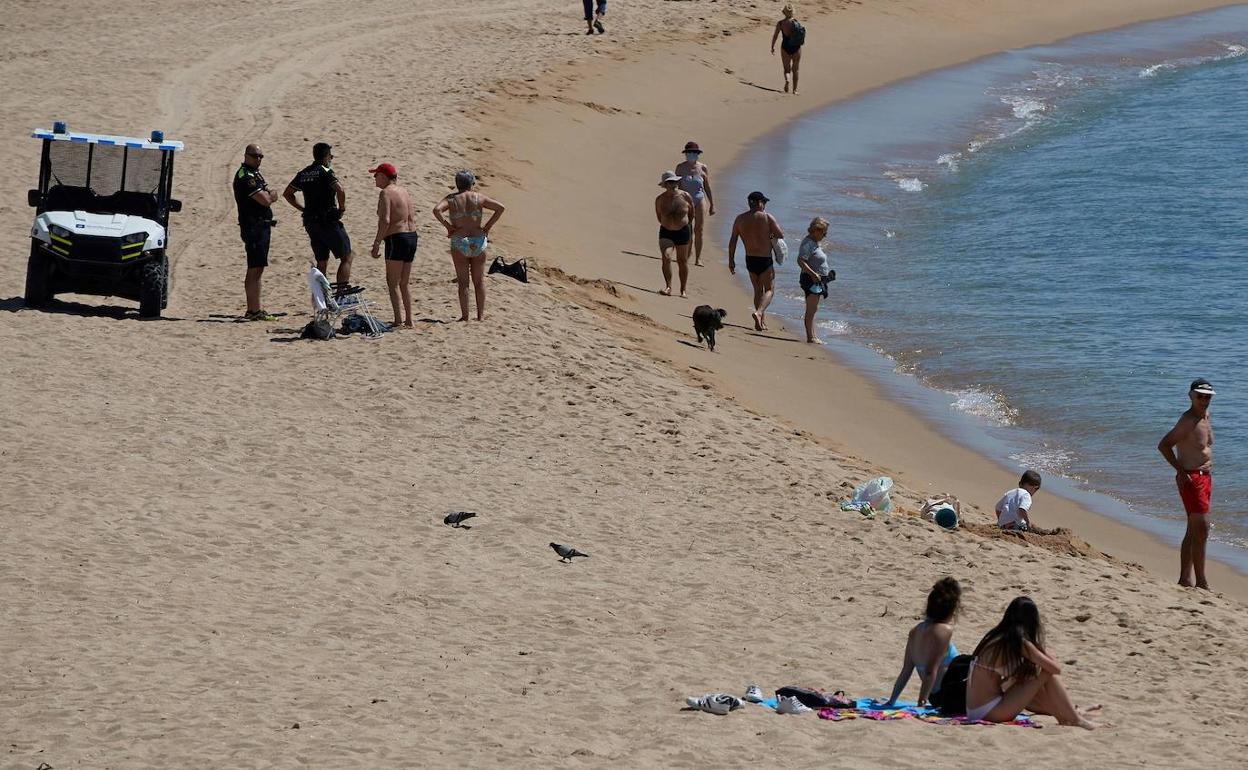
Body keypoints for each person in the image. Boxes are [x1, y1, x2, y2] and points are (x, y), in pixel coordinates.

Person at [962, 597, 1099, 729]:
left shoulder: (997, 636)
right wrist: (1044, 651)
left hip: (976, 710)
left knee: (1030, 675)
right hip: (990, 712)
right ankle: (1075, 719)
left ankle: (1069, 715)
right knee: (1045, 672)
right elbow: (1055, 669)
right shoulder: (1019, 642)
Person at [1158, 378, 1216, 589]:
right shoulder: (1188, 420)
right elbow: (1164, 445)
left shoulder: (1205, 416)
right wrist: (1180, 471)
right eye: (1200, 396)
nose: (1204, 400)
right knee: (1202, 531)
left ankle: (1185, 578)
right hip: (1193, 478)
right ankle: (1201, 582)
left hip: (1205, 477)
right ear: (1190, 396)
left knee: (1193, 531)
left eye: (1207, 396)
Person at [875, 577, 962, 709]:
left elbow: (906, 671)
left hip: (936, 698)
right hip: (951, 695)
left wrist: (891, 701)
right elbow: (930, 671)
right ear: (952, 609)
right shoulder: (944, 630)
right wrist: (921, 703)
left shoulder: (915, 631)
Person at [432, 170, 505, 321]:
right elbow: (500, 208)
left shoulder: (452, 199)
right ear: (472, 184)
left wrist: (448, 226)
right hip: (478, 240)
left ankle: (465, 316)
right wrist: (487, 227)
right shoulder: (478, 197)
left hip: (460, 240)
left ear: (457, 184)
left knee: (463, 282)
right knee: (479, 281)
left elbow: (437, 210)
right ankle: (480, 315)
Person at [283, 142, 353, 285]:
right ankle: (342, 293)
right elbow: (340, 189)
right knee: (346, 256)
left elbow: (287, 193)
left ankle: (323, 298)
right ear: (326, 156)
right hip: (327, 221)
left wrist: (302, 209)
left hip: (311, 222)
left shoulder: (304, 173)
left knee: (322, 262)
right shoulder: (325, 171)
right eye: (330, 156)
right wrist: (342, 208)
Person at [232, 144, 281, 322]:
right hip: (254, 227)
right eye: (255, 156)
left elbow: (270, 194)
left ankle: (255, 308)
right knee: (254, 267)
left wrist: (271, 195)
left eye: (261, 156)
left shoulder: (254, 173)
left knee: (258, 267)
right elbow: (266, 198)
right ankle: (253, 309)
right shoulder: (246, 176)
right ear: (246, 156)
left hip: (260, 226)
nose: (258, 159)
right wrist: (271, 196)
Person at [368, 162, 418, 329]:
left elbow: (385, 220)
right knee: (404, 282)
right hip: (412, 236)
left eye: (376, 175)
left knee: (392, 282)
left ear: (383, 176)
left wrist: (377, 243)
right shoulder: (404, 191)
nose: (374, 178)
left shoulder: (385, 193)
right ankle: (409, 319)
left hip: (397, 238)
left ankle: (398, 320)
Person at [728, 191, 783, 330]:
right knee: (769, 289)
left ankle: (760, 322)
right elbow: (780, 235)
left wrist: (731, 260)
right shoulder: (766, 217)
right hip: (764, 259)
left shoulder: (740, 219)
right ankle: (759, 313)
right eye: (764, 203)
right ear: (759, 203)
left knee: (757, 290)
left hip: (750, 259)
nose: (764, 205)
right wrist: (770, 234)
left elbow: (733, 240)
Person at [654, 171, 695, 297]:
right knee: (666, 257)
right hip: (666, 231)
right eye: (670, 182)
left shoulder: (686, 196)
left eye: (675, 181)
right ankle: (668, 287)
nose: (674, 184)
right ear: (665, 185)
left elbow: (692, 213)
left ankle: (683, 289)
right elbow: (659, 217)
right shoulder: (660, 199)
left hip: (682, 231)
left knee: (682, 261)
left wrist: (684, 225)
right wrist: (669, 224)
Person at [675, 141, 716, 267]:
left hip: (699, 199)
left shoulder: (703, 168)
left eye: (694, 153)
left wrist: (712, 204)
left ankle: (698, 258)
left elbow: (707, 186)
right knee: (687, 229)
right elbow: (675, 186)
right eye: (689, 153)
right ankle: (687, 253)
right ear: (686, 154)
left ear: (698, 154)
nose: (692, 155)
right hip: (685, 200)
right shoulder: (680, 168)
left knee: (699, 229)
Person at [796, 217, 833, 343]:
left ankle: (813, 335)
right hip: (811, 279)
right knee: (811, 309)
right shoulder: (808, 243)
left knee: (813, 308)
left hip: (816, 280)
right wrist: (813, 274)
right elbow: (800, 261)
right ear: (816, 230)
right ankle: (810, 337)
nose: (825, 236)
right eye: (824, 233)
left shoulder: (814, 243)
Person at [770, 4, 805, 94]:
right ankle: (795, 90)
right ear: (792, 12)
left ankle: (787, 80)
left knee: (786, 69)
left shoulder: (780, 23)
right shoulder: (796, 22)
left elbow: (775, 36)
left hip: (785, 47)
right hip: (796, 48)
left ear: (784, 13)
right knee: (796, 69)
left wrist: (772, 46)